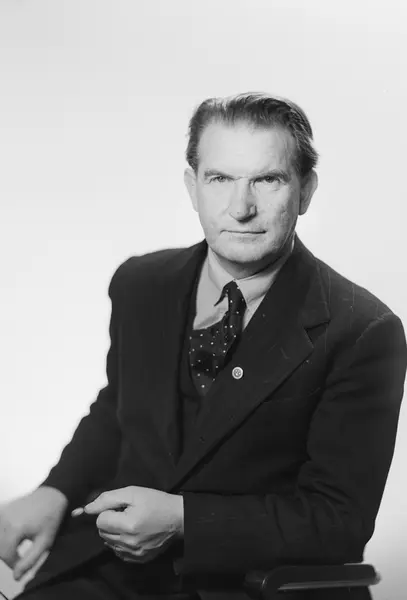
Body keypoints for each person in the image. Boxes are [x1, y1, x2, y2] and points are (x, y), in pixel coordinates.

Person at [0, 92, 406, 600]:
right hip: (113, 572)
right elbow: (118, 412)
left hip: (245, 586)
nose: (241, 207)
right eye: (220, 179)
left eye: (268, 179)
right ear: (192, 188)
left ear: (305, 191)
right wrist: (54, 491)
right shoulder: (141, 283)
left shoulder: (364, 330)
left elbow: (338, 521)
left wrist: (184, 519)